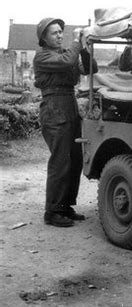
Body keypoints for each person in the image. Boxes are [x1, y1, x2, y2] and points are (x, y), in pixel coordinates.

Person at [33, 18, 98, 227]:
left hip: (69, 108)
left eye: (61, 32)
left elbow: (91, 69)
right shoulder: (42, 55)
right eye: (54, 33)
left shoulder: (64, 54)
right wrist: (77, 42)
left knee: (75, 160)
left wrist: (86, 48)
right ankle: (52, 211)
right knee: (60, 161)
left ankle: (65, 206)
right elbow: (68, 62)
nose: (60, 35)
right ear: (44, 38)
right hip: (53, 110)